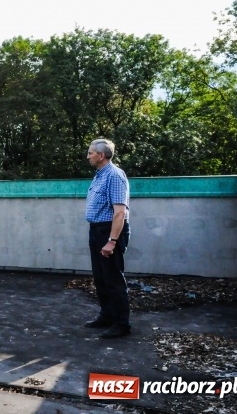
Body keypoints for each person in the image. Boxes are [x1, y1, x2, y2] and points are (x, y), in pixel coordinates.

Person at [84, 139, 131, 338]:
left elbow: (120, 212)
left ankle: (122, 324)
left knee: (113, 280)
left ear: (101, 155)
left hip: (108, 232)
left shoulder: (114, 175)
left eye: (91, 153)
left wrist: (112, 241)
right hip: (97, 230)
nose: (88, 156)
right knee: (101, 278)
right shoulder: (100, 175)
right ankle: (107, 315)